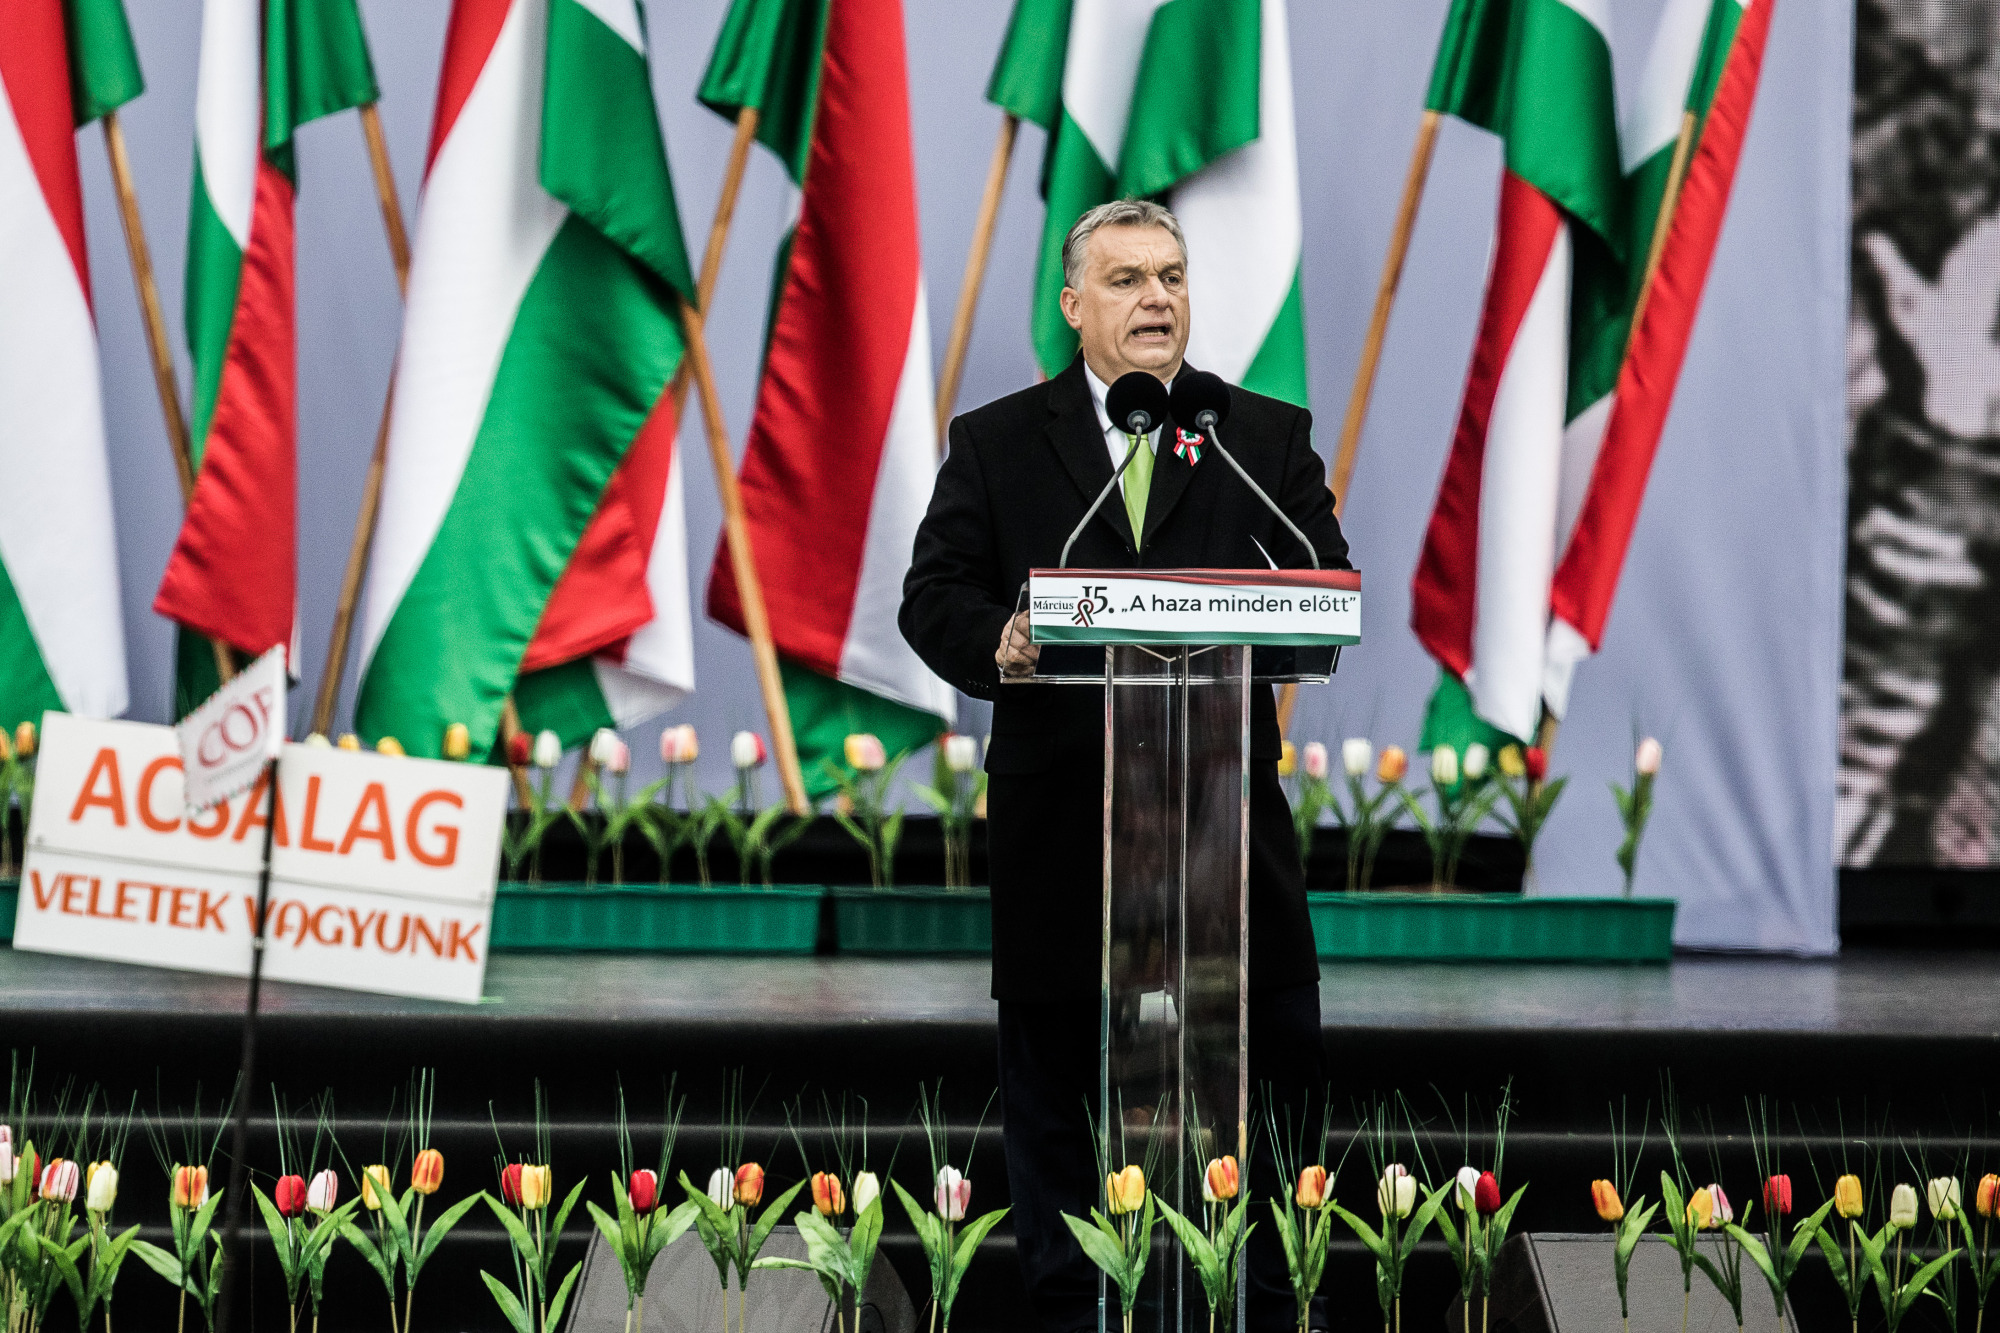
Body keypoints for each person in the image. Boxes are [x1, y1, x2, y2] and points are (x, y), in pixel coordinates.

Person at [899, 198, 1351, 1332]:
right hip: (1066, 838)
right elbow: (933, 597)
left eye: (1171, 277)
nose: (1157, 299)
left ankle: (1255, 1306)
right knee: (1056, 1108)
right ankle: (1068, 1313)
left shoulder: (1256, 437)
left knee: (1270, 1100)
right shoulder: (1000, 441)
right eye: (1127, 279)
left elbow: (1321, 582)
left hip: (1223, 841)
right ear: (1072, 304)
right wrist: (1001, 640)